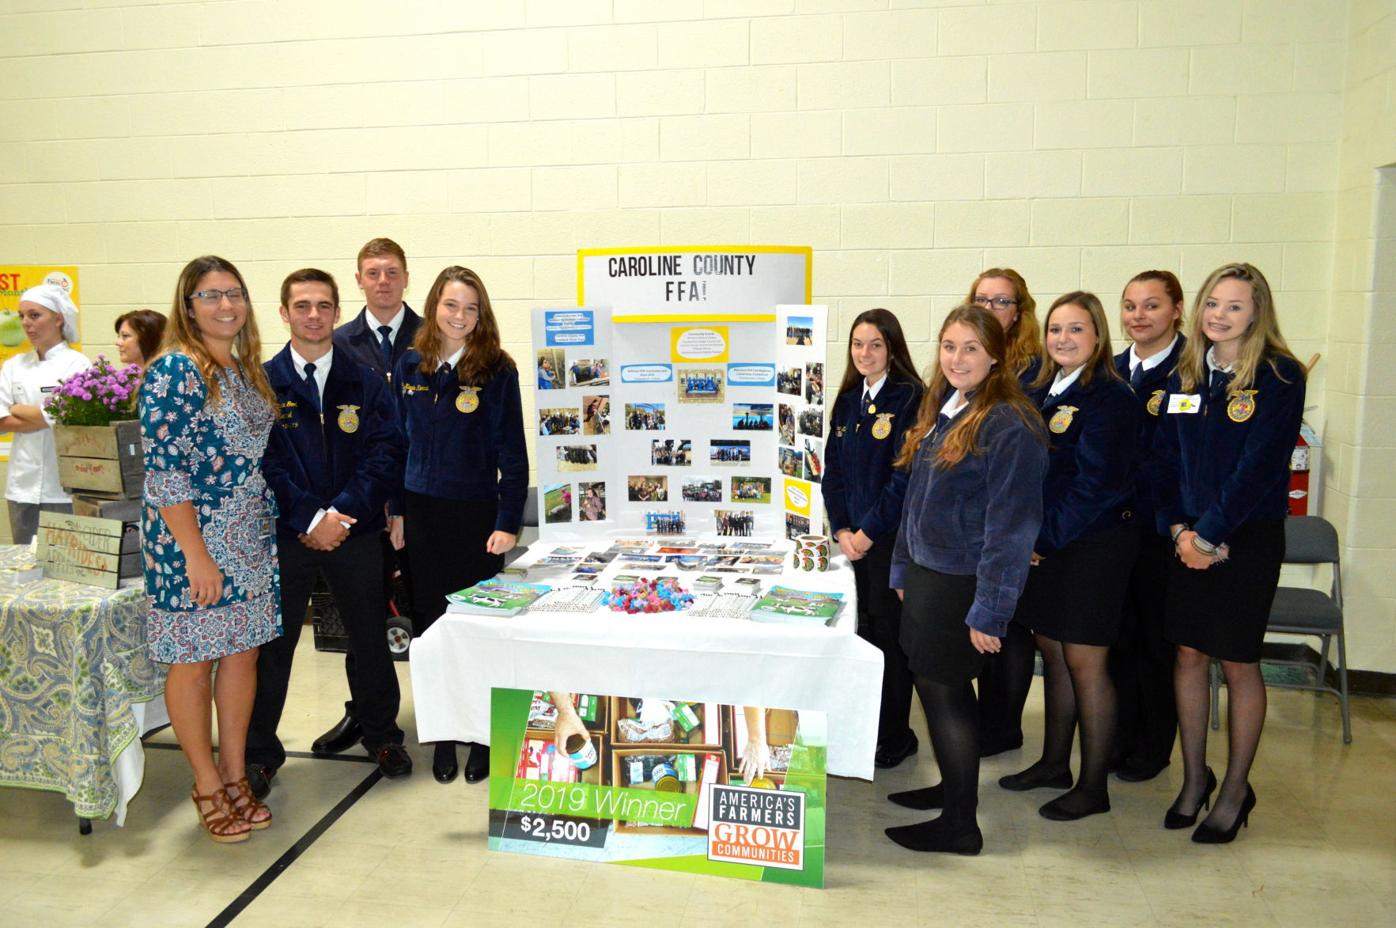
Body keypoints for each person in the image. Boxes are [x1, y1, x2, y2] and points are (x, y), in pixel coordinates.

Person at [884, 304, 1047, 855]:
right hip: (929, 577)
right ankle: (952, 791)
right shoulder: (950, 407)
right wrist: (904, 568)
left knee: (947, 694)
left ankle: (960, 824)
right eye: (949, 346)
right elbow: (915, 501)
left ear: (996, 354)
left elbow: (1013, 527)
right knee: (935, 691)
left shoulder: (1009, 422)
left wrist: (990, 610)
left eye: (971, 348)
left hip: (961, 582)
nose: (957, 358)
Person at [1153, 263, 1305, 843]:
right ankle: (1195, 780)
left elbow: (1258, 468)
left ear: (1257, 312)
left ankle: (1236, 789)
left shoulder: (1279, 376)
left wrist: (1210, 536)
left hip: (1245, 540)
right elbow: (1164, 463)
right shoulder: (1187, 374)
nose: (1219, 315)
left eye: (1234, 306)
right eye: (1212, 304)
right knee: (1188, 656)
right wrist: (1179, 531)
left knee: (1238, 662)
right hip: (1187, 538)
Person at [246, 269, 411, 800]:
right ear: (284, 313)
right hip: (288, 535)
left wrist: (341, 513)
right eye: (302, 305)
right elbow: (266, 464)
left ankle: (382, 736)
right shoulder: (262, 382)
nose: (313, 315)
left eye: (323, 305)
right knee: (275, 646)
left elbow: (386, 452)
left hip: (354, 532)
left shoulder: (365, 382)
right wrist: (308, 518)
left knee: (368, 638)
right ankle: (259, 754)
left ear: (337, 313)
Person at [140, 256, 280, 843]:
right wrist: (196, 553)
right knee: (193, 662)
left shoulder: (245, 369)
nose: (225, 305)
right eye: (210, 295)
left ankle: (233, 771)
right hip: (189, 539)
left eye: (234, 293)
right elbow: (165, 474)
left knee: (243, 656)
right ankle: (204, 783)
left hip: (248, 535)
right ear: (188, 305)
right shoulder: (176, 371)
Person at [998, 292, 1140, 821]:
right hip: (1047, 546)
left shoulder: (1110, 398)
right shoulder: (1038, 388)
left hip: (1092, 547)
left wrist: (1039, 539)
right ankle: (1054, 763)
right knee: (1052, 653)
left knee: (1086, 664)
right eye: (1056, 329)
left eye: (1075, 330)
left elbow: (1095, 487)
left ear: (1098, 336)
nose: (1062, 339)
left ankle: (1094, 784)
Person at [392, 265, 527, 785]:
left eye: (471, 308)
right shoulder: (410, 365)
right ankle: (444, 735)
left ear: (482, 314)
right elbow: (399, 445)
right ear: (434, 307)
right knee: (430, 628)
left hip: (476, 518)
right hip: (421, 515)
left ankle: (482, 737)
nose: (460, 316)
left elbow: (512, 454)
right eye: (452, 305)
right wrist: (397, 512)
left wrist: (507, 521)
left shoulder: (497, 369)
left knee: (476, 626)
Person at [318, 237, 420, 758]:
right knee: (362, 619)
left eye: (392, 272)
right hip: (363, 508)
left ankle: (447, 714)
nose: (383, 281)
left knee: (434, 612)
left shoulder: (435, 334)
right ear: (358, 279)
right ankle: (365, 713)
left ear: (406, 278)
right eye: (373, 272)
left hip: (425, 502)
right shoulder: (336, 341)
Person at [821, 308, 924, 769]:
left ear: (892, 348)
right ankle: (867, 725)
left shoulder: (910, 399)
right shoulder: (847, 400)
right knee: (859, 634)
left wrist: (866, 533)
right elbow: (833, 474)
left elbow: (904, 480)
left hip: (889, 542)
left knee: (890, 640)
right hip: (851, 544)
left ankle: (896, 735)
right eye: (858, 344)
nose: (865, 353)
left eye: (875, 345)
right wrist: (842, 528)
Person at [1109, 270, 1187, 783]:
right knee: (1116, 639)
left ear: (1177, 310)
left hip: (1163, 533)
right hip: (1111, 532)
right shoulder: (1110, 370)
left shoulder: (1192, 371)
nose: (1139, 316)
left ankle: (1153, 746)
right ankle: (1118, 736)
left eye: (1152, 305)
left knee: (1158, 646)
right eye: (1131, 306)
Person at [965, 267, 1044, 757]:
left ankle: (1004, 726)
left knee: (1010, 627)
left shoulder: (1034, 369)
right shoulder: (965, 358)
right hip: (972, 523)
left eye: (1001, 301)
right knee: (980, 627)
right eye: (982, 299)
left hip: (1014, 519)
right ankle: (985, 721)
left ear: (1019, 312)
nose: (991, 308)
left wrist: (1029, 532)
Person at [0, 283, 91, 544]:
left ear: (58, 318)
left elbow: (62, 419)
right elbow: (1, 421)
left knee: (67, 566)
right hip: (21, 486)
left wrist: (16, 408)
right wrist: (43, 416)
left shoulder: (77, 364)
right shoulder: (13, 366)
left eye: (35, 315)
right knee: (24, 565)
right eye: (22, 316)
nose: (27, 323)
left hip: (62, 489)